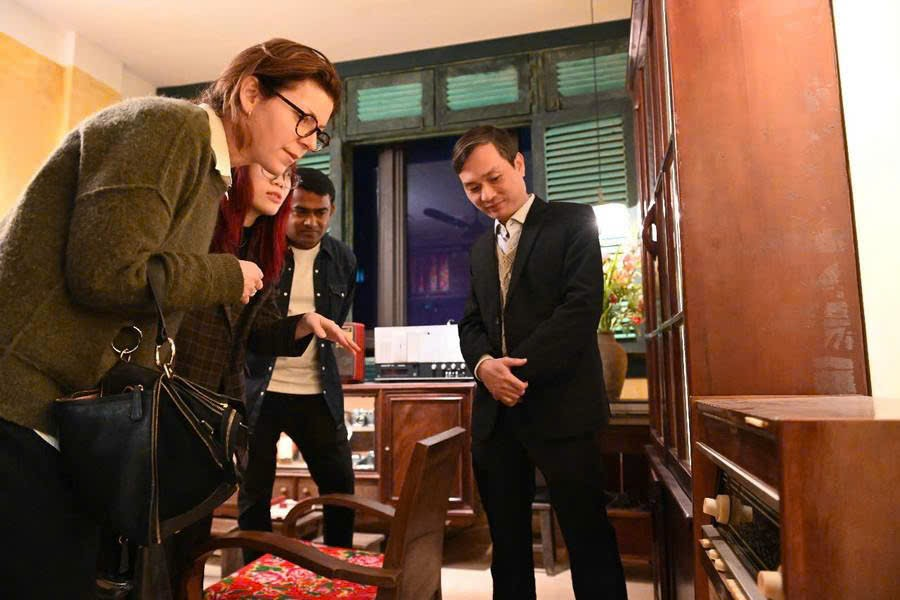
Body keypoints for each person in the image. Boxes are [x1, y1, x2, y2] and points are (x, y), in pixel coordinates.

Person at [0, 38, 342, 598]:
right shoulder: (170, 127)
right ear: (250, 93)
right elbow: (106, 271)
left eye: (318, 132)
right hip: (22, 409)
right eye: (304, 119)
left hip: (67, 419)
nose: (308, 142)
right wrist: (226, 274)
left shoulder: (210, 171)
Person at [455, 125, 627, 599]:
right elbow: (470, 323)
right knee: (507, 549)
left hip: (563, 410)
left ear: (519, 164)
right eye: (472, 187)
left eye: (494, 178)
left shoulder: (572, 221)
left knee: (588, 540)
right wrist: (483, 366)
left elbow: (580, 308)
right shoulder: (479, 249)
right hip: (496, 419)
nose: (486, 195)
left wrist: (511, 374)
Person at [239, 168, 358, 555]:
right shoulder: (258, 248)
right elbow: (246, 326)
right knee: (253, 492)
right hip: (259, 389)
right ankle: (255, 573)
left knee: (340, 488)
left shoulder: (342, 259)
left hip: (317, 390)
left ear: (331, 211)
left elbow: (335, 321)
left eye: (320, 212)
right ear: (284, 208)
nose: (311, 222)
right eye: (301, 211)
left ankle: (339, 570)